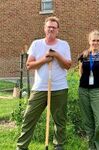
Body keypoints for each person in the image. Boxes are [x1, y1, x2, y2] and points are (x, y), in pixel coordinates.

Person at [16, 16, 72, 150]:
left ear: (58, 30)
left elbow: (68, 65)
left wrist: (57, 55)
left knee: (60, 120)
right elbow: (29, 65)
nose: (51, 29)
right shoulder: (37, 44)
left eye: (54, 27)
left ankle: (58, 146)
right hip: (39, 88)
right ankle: (22, 147)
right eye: (49, 27)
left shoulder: (64, 45)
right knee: (29, 117)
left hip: (59, 88)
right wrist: (44, 60)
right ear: (44, 28)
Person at [78, 30, 99, 150]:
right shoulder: (84, 55)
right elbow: (80, 73)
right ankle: (91, 147)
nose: (95, 42)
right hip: (84, 91)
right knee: (88, 121)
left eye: (98, 40)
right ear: (89, 41)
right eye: (93, 40)